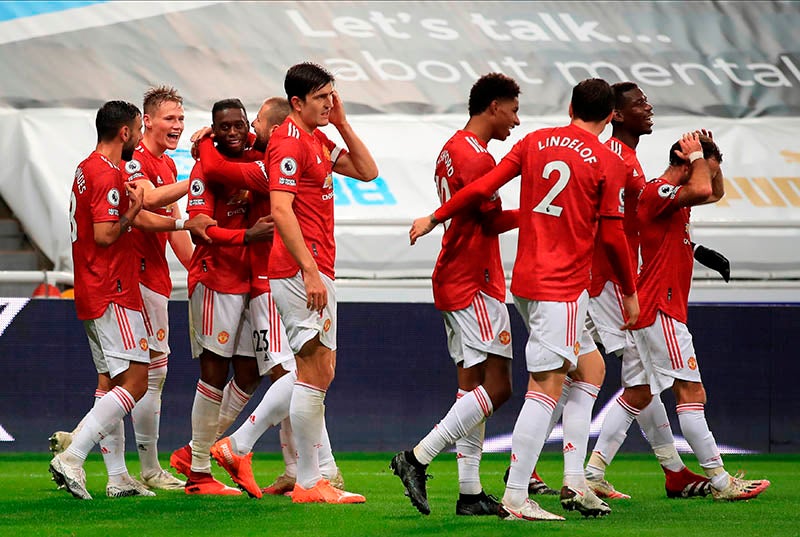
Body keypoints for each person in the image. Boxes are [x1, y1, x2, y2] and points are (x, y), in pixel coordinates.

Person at [408, 79, 639, 521]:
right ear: (610, 117)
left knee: (589, 368)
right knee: (542, 386)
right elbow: (612, 234)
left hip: (523, 282)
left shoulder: (535, 141)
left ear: (569, 105)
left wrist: (435, 216)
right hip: (561, 285)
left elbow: (480, 191)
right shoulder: (610, 162)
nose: (516, 118)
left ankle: (573, 480)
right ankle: (513, 491)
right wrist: (628, 292)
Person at [50, 100, 213, 500]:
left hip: (93, 287)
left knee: (112, 381)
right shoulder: (109, 174)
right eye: (140, 129)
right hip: (114, 288)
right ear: (126, 131)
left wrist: (173, 220)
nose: (139, 138)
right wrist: (136, 211)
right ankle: (75, 455)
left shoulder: (88, 168)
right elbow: (110, 232)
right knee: (139, 379)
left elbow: (138, 214)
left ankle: (119, 476)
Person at [196, 97, 345, 499]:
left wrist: (206, 142)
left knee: (305, 372)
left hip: (277, 275)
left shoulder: (276, 158)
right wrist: (207, 143)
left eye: (255, 122)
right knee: (297, 373)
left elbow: (219, 166)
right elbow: (215, 170)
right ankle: (251, 452)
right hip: (277, 277)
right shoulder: (280, 156)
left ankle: (298, 467)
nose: (249, 130)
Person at [390, 73, 521, 517]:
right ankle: (417, 457)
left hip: (453, 273)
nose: (516, 122)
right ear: (493, 107)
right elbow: (492, 221)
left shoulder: (451, 148)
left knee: (470, 389)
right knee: (498, 388)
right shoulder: (479, 159)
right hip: (476, 279)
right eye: (513, 110)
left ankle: (469, 493)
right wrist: (541, 214)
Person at [583, 83, 722, 500]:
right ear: (616, 115)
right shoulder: (618, 161)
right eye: (639, 103)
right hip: (609, 280)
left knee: (636, 382)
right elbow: (617, 222)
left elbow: (641, 224)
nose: (649, 108)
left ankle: (650, 469)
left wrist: (691, 248)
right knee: (579, 377)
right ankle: (550, 472)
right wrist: (626, 283)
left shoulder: (630, 162)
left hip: (618, 278)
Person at [619, 131, 770, 501]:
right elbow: (704, 189)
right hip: (661, 307)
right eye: (701, 167)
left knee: (635, 395)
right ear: (685, 165)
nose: (707, 175)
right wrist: (699, 157)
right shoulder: (657, 193)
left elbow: (713, 191)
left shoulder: (674, 199)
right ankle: (720, 481)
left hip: (655, 306)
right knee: (691, 391)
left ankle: (589, 473)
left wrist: (706, 158)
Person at [268, 62, 377, 504]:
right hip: (300, 269)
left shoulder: (318, 139)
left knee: (320, 372)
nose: (329, 103)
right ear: (297, 102)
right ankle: (310, 481)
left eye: (332, 95)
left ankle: (310, 477)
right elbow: (280, 209)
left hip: (317, 266)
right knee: (312, 371)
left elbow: (368, 171)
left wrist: (344, 123)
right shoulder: (289, 142)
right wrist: (309, 270)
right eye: (322, 98)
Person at [167, 98, 274, 496]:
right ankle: (197, 471)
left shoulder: (255, 157)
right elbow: (199, 230)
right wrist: (246, 235)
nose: (231, 132)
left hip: (249, 282)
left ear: (247, 125)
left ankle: (194, 452)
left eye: (237, 125)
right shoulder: (203, 169)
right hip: (214, 279)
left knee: (249, 373)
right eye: (222, 126)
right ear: (213, 127)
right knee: (213, 374)